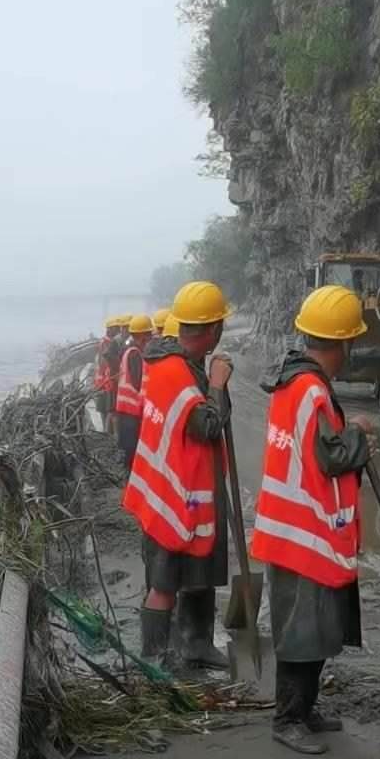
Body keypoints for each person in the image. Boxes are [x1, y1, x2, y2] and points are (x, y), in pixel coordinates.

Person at [250, 285, 378, 754]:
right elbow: (330, 457)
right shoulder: (310, 389)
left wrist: (347, 433)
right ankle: (287, 719)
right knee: (301, 632)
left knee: (317, 626)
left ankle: (304, 710)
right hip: (301, 532)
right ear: (344, 343)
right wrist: (358, 433)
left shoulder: (295, 382)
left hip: (296, 529)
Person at [123, 281, 235, 676]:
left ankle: (196, 645)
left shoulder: (173, 364)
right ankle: (154, 660)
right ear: (213, 329)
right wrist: (217, 385)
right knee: (165, 582)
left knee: (199, 572)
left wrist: (214, 385)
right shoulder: (177, 373)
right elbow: (207, 426)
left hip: (182, 490)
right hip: (177, 497)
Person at [112, 313, 153, 463]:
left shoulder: (129, 350)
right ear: (143, 337)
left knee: (129, 452)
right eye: (149, 335)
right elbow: (139, 384)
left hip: (126, 412)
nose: (150, 339)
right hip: (131, 414)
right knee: (132, 454)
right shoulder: (135, 355)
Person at [92, 315, 125, 422]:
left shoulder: (110, 342)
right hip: (104, 382)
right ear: (110, 329)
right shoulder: (106, 343)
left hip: (106, 381)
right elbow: (104, 364)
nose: (119, 330)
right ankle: (106, 430)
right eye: (116, 327)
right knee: (107, 410)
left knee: (109, 410)